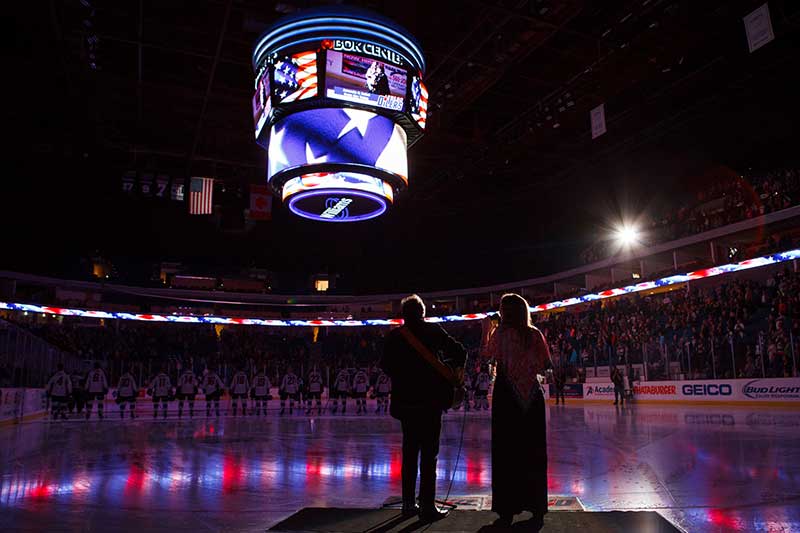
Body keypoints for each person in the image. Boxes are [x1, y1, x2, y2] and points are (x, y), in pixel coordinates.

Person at [382, 294, 467, 522]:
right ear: (423, 313)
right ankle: (427, 505)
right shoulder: (434, 331)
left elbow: (385, 366)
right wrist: (451, 372)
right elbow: (460, 352)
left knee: (410, 453)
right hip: (430, 402)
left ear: (403, 314)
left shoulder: (394, 338)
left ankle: (408, 504)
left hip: (406, 402)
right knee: (430, 454)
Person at [483, 293, 552, 530]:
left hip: (507, 397)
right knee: (534, 453)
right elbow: (546, 364)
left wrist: (486, 329)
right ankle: (537, 508)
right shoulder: (535, 334)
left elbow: (488, 356)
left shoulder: (500, 334)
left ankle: (506, 510)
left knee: (506, 455)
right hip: (532, 397)